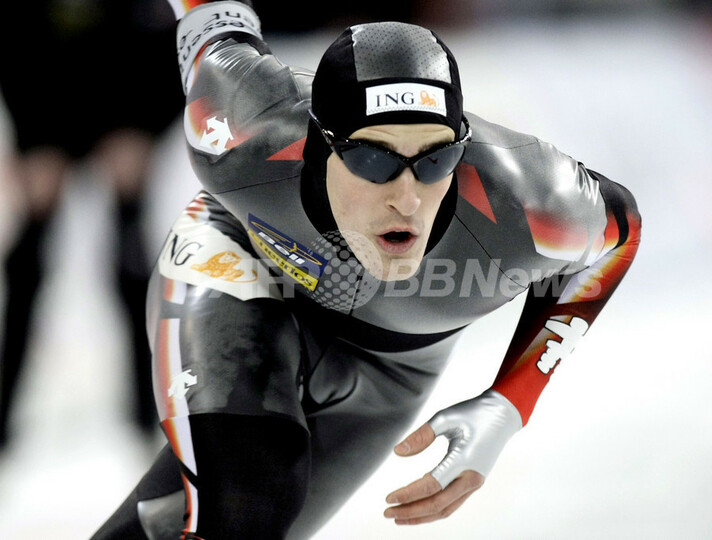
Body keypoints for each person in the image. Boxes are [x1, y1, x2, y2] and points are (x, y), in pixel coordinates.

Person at [93, 1, 641, 538]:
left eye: (436, 159)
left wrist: (511, 400)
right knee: (248, 497)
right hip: (241, 267)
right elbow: (212, 16)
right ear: (316, 144)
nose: (407, 198)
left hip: (389, 374)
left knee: (238, 522)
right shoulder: (243, 122)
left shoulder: (531, 199)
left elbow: (621, 234)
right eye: (373, 159)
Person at [0, 0, 184, 447]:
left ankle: (148, 416)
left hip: (122, 114)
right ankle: (4, 417)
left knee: (132, 267)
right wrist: (32, 144)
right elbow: (13, 44)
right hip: (47, 116)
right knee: (26, 270)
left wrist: (141, 133)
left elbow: (173, 48)